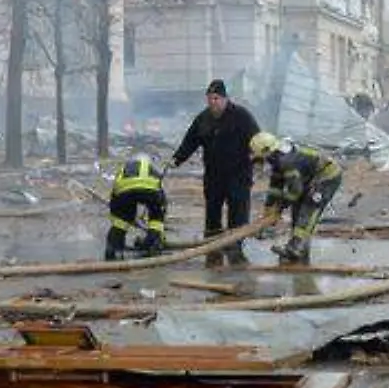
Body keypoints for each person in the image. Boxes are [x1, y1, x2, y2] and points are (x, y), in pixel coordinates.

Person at [171, 79, 262, 266]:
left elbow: (257, 139)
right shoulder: (203, 119)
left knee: (238, 210)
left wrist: (259, 158)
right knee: (212, 210)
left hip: (238, 173)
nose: (213, 102)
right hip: (214, 175)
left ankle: (235, 244)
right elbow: (190, 141)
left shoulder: (241, 116)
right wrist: (177, 159)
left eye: (216, 98)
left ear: (225, 98)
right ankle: (212, 243)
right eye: (210, 99)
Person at [251, 132, 344, 264]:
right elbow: (275, 187)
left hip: (327, 176)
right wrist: (269, 209)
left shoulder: (287, 161)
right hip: (309, 177)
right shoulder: (277, 158)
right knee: (297, 209)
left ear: (266, 151)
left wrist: (281, 207)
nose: (259, 161)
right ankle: (299, 249)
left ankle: (296, 247)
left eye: (260, 157)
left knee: (310, 206)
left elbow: (295, 191)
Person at [104, 155, 168, 261]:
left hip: (125, 191)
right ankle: (152, 244)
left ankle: (114, 249)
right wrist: (160, 211)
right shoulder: (152, 168)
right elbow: (160, 192)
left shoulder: (124, 168)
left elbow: (115, 196)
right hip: (150, 191)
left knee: (121, 221)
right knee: (156, 217)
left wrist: (118, 216)